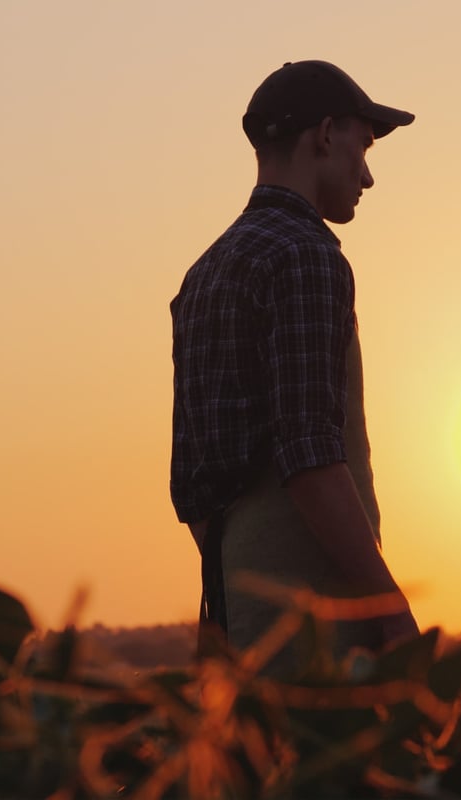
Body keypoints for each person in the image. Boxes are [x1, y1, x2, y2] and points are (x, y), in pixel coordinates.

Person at [170, 60, 419, 674]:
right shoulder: (306, 257)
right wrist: (387, 609)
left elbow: (189, 486)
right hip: (316, 622)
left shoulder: (203, 274)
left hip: (233, 610)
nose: (368, 175)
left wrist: (238, 581)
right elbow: (309, 455)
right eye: (362, 147)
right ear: (326, 134)